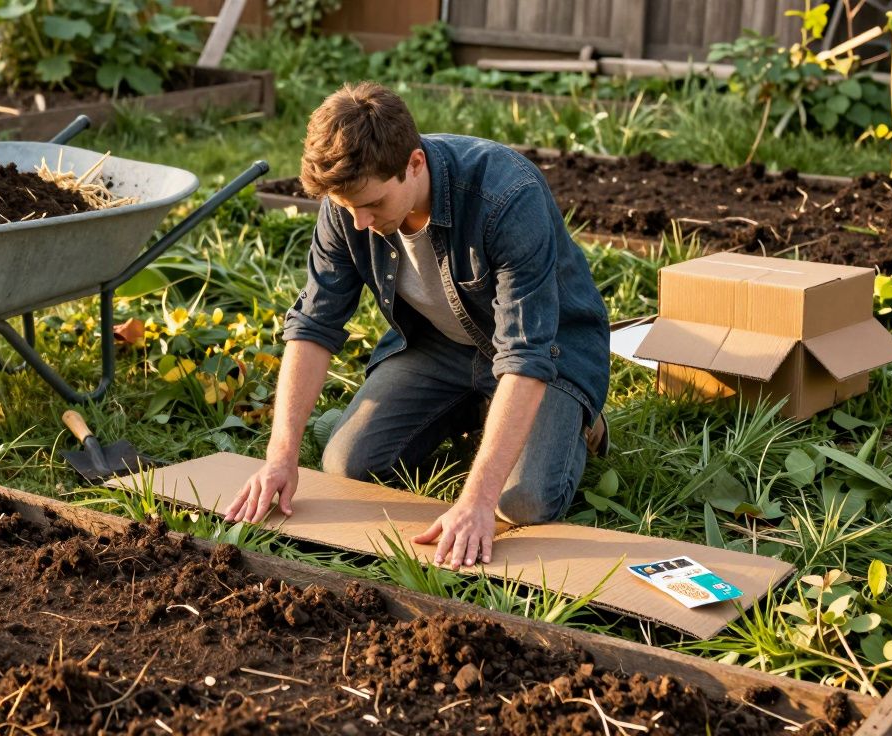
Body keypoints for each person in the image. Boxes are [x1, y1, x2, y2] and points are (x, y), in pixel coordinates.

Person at [224, 81, 611, 570]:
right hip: (441, 345)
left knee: (520, 503)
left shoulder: (507, 196)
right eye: (348, 209)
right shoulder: (348, 204)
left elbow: (526, 353)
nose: (360, 223)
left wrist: (475, 500)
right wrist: (280, 457)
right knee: (348, 465)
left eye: (373, 205)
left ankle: (577, 417)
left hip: (549, 354)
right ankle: (481, 410)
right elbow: (314, 325)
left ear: (414, 163)